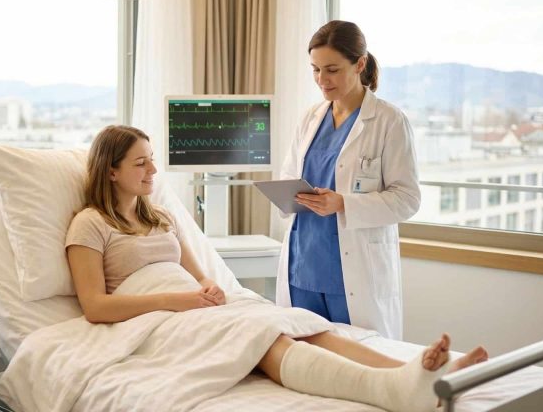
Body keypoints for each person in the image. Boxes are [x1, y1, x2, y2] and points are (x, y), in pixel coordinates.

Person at [65, 125, 486, 412]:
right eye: (141, 163)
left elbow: (199, 275)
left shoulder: (161, 217)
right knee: (264, 338)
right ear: (112, 170)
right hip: (154, 320)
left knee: (305, 327)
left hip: (194, 306)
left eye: (152, 160)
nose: (153, 171)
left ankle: (414, 374)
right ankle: (393, 392)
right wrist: (181, 301)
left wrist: (208, 290)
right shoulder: (90, 223)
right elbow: (96, 307)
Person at [277, 20, 421, 340]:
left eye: (332, 69)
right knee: (307, 362)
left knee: (362, 363)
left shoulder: (388, 121)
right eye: (315, 69)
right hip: (304, 264)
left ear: (360, 64)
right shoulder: (310, 118)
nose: (322, 80)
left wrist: (343, 203)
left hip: (353, 273)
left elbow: (407, 198)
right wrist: (286, 192)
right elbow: (289, 174)